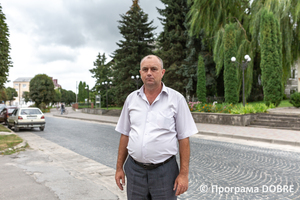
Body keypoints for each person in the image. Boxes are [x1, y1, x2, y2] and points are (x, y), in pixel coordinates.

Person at [115, 55, 198, 200]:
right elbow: (125, 134)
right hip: (135, 171)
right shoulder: (131, 99)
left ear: (162, 72)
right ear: (140, 73)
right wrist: (119, 168)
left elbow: (184, 138)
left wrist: (184, 174)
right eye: (145, 69)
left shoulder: (176, 99)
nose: (149, 73)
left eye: (154, 69)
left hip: (165, 172)